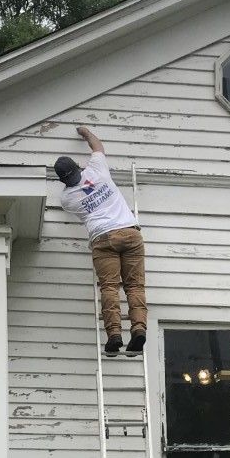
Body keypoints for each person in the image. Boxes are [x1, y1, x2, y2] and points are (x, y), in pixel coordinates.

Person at [55, 126, 147, 356]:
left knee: (109, 287)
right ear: (78, 168)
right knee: (134, 286)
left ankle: (114, 334)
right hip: (129, 232)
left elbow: (73, 199)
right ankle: (138, 329)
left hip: (103, 239)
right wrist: (86, 133)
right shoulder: (97, 169)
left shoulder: (67, 199)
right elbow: (97, 146)